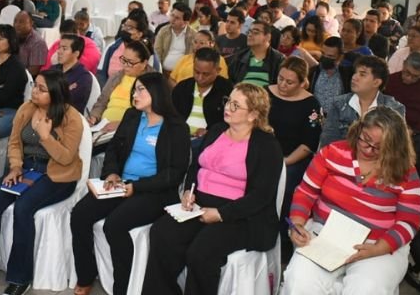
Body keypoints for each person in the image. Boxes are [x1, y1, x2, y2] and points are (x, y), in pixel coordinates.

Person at [143, 83, 282, 295]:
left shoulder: (266, 145)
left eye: (236, 106)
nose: (228, 108)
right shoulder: (217, 130)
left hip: (240, 215)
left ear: (253, 114)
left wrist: (221, 214)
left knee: (201, 252)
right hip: (200, 205)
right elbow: (196, 166)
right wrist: (189, 191)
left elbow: (261, 196)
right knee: (162, 234)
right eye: (228, 101)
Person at [0, 70, 83, 295]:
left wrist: (46, 136)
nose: (34, 92)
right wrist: (16, 166)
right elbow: (15, 143)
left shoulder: (71, 117)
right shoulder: (27, 109)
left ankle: (20, 278)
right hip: (27, 168)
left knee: (23, 208)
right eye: (34, 86)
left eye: (41, 89)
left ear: (56, 94)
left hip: (57, 174)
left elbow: (66, 158)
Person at [71, 72, 191, 295]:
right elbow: (114, 149)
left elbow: (173, 174)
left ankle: (122, 288)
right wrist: (111, 174)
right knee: (79, 214)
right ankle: (86, 276)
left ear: (157, 93)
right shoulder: (132, 116)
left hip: (154, 192)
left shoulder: (176, 128)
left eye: (140, 90)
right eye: (134, 89)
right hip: (121, 184)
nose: (134, 94)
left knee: (114, 225)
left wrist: (137, 187)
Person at [282, 107, 420, 295]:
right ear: (358, 130)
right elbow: (305, 192)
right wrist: (297, 224)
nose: (367, 148)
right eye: (365, 139)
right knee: (299, 281)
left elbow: (409, 222)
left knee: (367, 289)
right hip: (325, 235)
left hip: (377, 243)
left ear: (394, 147)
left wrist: (379, 248)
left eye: (378, 147)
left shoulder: (405, 172)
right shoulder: (332, 153)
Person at [265, 57, 322, 262]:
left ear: (302, 83)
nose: (282, 85)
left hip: (293, 158)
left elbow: (308, 144)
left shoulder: (311, 104)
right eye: (280, 79)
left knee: (287, 187)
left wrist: (285, 161)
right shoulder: (266, 93)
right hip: (264, 153)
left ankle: (283, 240)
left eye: (289, 82)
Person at [384, 51, 420, 224]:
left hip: (417, 132)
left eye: (414, 76)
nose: (408, 78)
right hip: (389, 127)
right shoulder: (390, 81)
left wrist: (412, 131)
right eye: (406, 72)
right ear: (403, 64)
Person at [319, 55, 405, 147]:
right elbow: (328, 141)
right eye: (355, 73)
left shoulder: (393, 109)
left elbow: (395, 147)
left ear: (376, 82)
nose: (354, 77)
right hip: (343, 157)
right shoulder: (338, 104)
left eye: (362, 74)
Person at [171, 47, 233, 154]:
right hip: (180, 138)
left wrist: (210, 132)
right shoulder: (182, 87)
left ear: (218, 71)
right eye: (196, 72)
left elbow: (230, 121)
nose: (199, 77)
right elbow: (171, 116)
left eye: (206, 74)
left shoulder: (227, 90)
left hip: (209, 143)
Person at [89, 41, 155, 133]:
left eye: (131, 62)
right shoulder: (117, 77)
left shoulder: (153, 82)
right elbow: (101, 102)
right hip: (103, 127)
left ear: (144, 63)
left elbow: (151, 114)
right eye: (124, 60)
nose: (125, 65)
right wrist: (94, 117)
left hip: (131, 130)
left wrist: (121, 124)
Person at [98, 10, 154, 85]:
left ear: (139, 34)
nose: (125, 29)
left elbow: (152, 82)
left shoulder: (148, 53)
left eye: (130, 28)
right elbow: (101, 74)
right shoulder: (112, 47)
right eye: (124, 25)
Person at [228, 21, 285, 86]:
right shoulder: (239, 57)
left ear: (267, 37)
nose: (249, 35)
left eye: (255, 32)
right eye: (249, 32)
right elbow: (231, 83)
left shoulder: (279, 59)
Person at [308, 37, 353, 114]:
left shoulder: (346, 75)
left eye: (330, 56)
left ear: (340, 56)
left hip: (337, 120)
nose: (325, 58)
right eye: (323, 54)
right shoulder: (313, 72)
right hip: (314, 117)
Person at [50, 33, 93, 113]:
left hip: (68, 118)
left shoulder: (83, 77)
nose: (59, 52)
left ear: (76, 53)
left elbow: (69, 103)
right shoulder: (53, 69)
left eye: (64, 49)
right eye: (59, 47)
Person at [155, 2, 196, 77]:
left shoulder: (193, 35)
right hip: (163, 73)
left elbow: (192, 57)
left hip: (183, 75)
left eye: (177, 18)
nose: (172, 19)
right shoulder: (163, 31)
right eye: (172, 15)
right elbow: (157, 52)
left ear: (185, 22)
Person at [14, 11, 48, 76]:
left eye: (21, 22)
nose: (17, 25)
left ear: (31, 23)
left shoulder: (38, 42)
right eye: (15, 21)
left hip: (27, 80)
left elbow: (33, 72)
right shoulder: (15, 36)